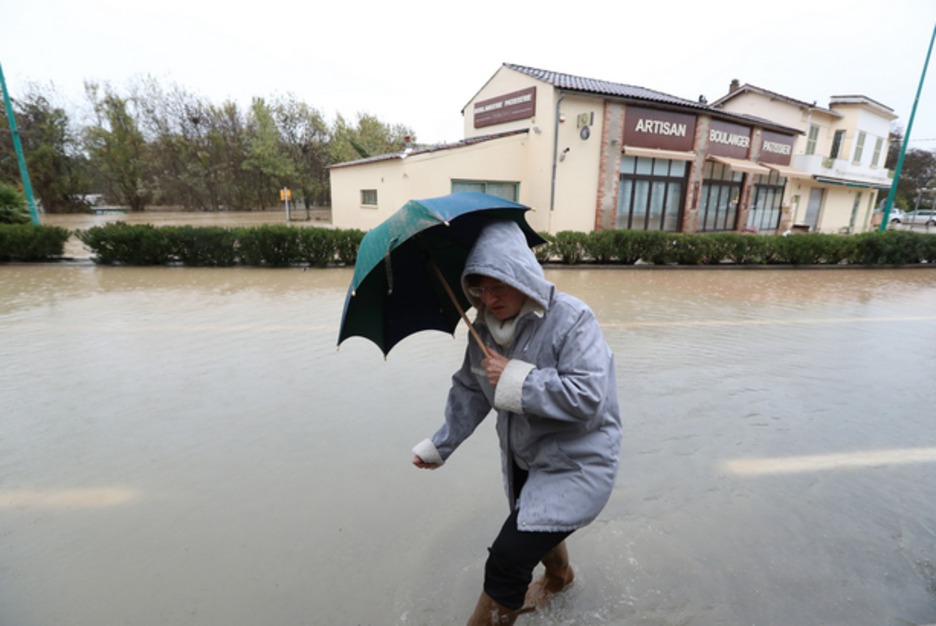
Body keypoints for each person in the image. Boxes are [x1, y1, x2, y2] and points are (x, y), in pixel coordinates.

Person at [411, 220, 622, 625]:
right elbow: (470, 391)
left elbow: (589, 396)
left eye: (498, 286)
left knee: (506, 562)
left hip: (578, 462)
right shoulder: (485, 329)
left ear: (521, 275)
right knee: (533, 523)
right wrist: (441, 445)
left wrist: (516, 378)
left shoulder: (573, 319)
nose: (488, 299)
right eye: (479, 289)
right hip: (523, 457)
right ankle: (561, 578)